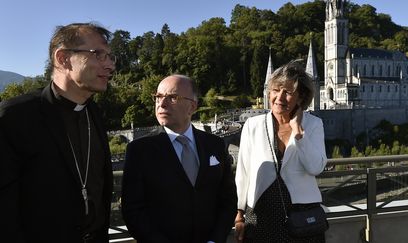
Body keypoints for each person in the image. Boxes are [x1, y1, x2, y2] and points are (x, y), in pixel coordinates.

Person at [0, 22, 116, 243]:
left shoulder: (95, 114)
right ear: (63, 58)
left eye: (111, 57)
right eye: (99, 55)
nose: (110, 65)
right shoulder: (15, 116)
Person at [121, 74, 237, 243]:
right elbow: (133, 210)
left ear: (192, 106)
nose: (162, 104)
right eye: (158, 97)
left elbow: (228, 200)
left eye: (172, 97)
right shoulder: (140, 150)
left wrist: (215, 240)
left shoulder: (215, 145)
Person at [234, 62, 328, 243]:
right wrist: (239, 213)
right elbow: (243, 172)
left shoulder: (314, 124)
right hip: (261, 212)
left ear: (301, 98)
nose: (279, 97)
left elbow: (316, 167)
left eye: (288, 92)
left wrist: (298, 132)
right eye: (276, 90)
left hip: (303, 214)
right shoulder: (253, 125)